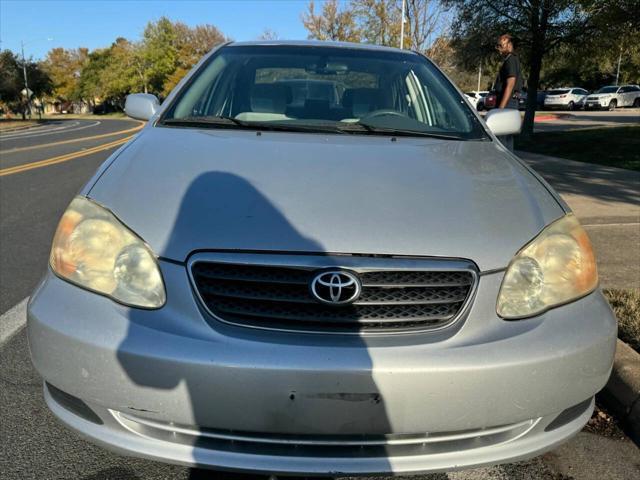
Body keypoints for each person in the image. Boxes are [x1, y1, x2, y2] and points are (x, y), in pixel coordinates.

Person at [493, 34, 523, 151]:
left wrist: (500, 109)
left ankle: (503, 166)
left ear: (509, 45)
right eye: (497, 45)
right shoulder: (510, 59)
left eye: (501, 45)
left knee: (502, 139)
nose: (498, 48)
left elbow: (510, 84)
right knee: (506, 139)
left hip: (507, 103)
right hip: (509, 103)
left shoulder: (511, 59)